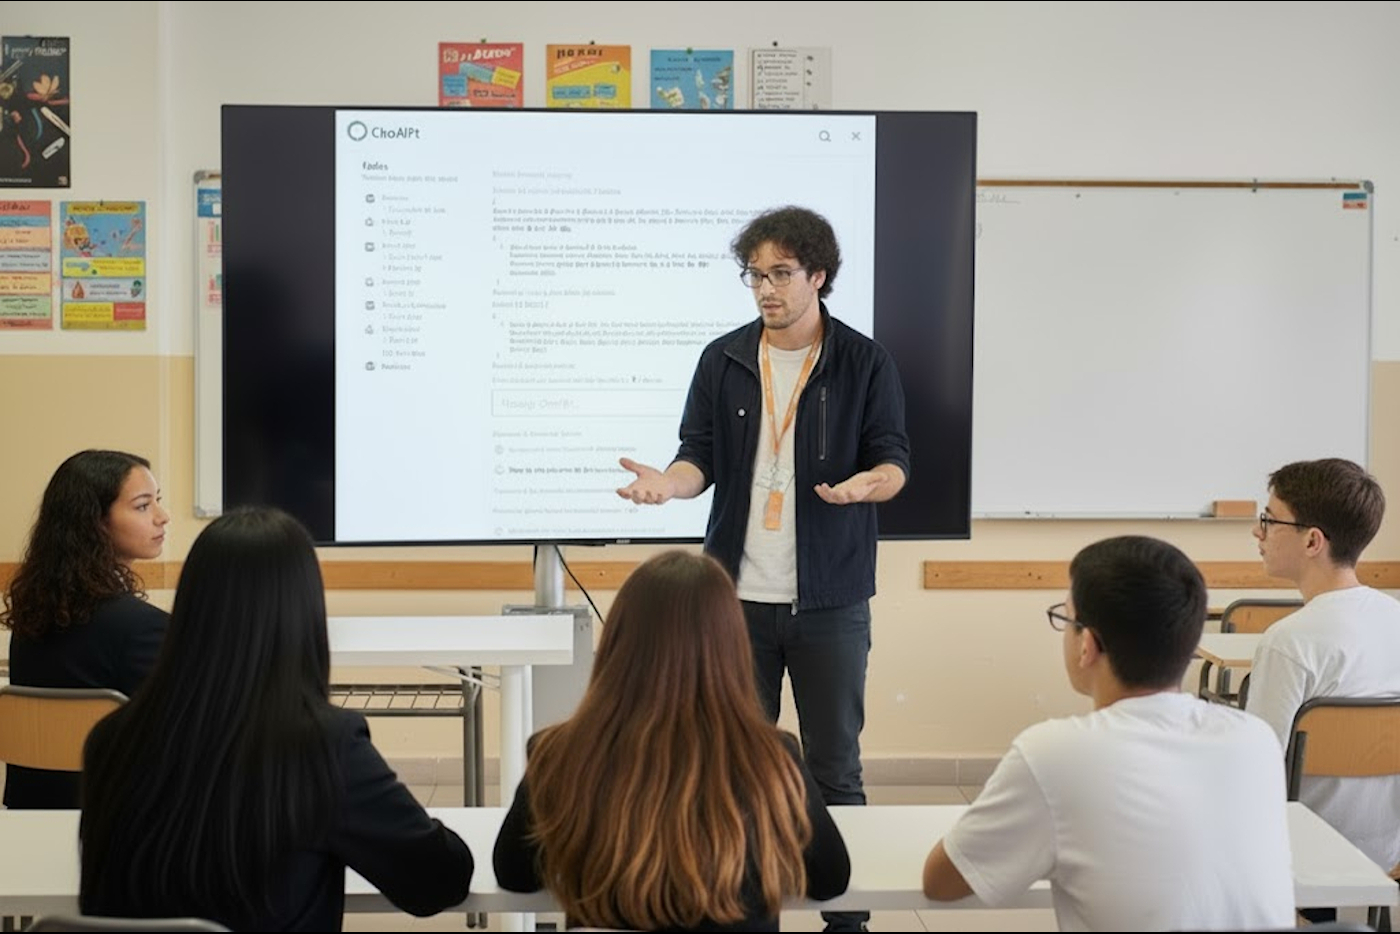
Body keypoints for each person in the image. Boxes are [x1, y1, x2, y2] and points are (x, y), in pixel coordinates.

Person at [616, 206, 908, 932]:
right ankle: (744, 919)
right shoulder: (723, 359)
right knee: (730, 771)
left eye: (781, 274)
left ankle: (847, 923)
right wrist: (669, 485)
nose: (765, 289)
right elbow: (697, 457)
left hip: (831, 601)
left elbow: (893, 459)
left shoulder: (863, 361)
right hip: (733, 603)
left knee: (835, 769)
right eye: (754, 275)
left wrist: (871, 485)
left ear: (819, 276)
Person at [79, 507, 472, 931]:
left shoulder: (110, 738)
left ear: (190, 606)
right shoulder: (325, 745)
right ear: (303, 611)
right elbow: (437, 882)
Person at [922, 536, 1294, 932]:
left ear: (1087, 644)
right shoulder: (1254, 739)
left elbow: (942, 883)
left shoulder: (1054, 755)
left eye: (1066, 619)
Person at [493, 550, 850, 932]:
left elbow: (514, 875)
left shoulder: (559, 754)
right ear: (732, 648)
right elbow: (830, 879)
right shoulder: (772, 759)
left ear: (618, 644)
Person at [1246, 457, 1400, 875]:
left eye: (1269, 520)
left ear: (1313, 541)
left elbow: (1257, 768)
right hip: (1388, 853)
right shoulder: (1396, 618)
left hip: (1302, 850)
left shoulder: (1288, 642)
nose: (1258, 531)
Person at [1, 449, 170, 809]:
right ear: (96, 522)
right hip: (117, 821)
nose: (162, 516)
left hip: (29, 816)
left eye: (158, 501)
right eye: (143, 506)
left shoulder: (30, 617)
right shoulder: (145, 628)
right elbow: (176, 744)